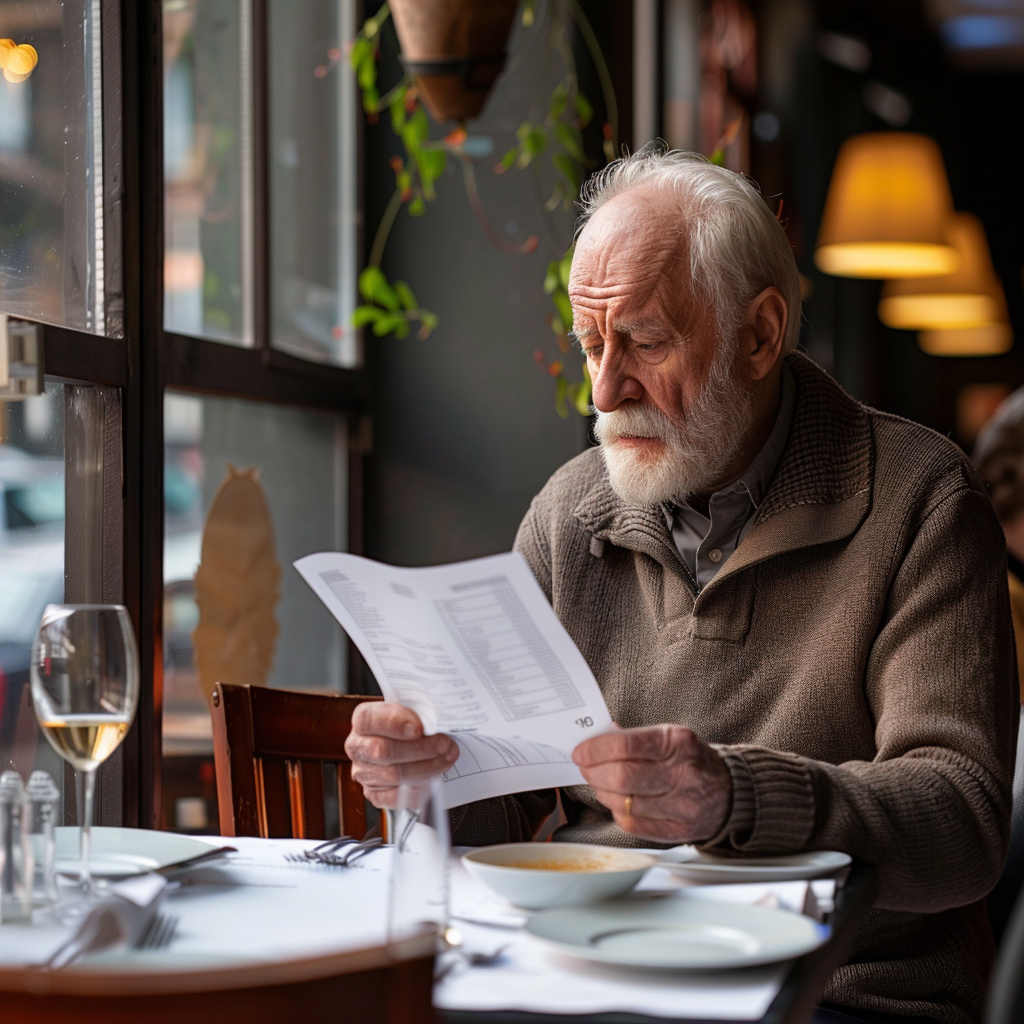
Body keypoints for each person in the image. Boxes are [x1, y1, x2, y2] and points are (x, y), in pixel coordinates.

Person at [345, 143, 1017, 1024]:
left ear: (760, 334)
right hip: (583, 976)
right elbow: (497, 816)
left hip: (841, 991)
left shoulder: (921, 500)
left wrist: (737, 796)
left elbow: (962, 821)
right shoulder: (569, 512)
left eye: (645, 341)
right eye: (590, 343)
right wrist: (428, 776)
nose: (605, 388)